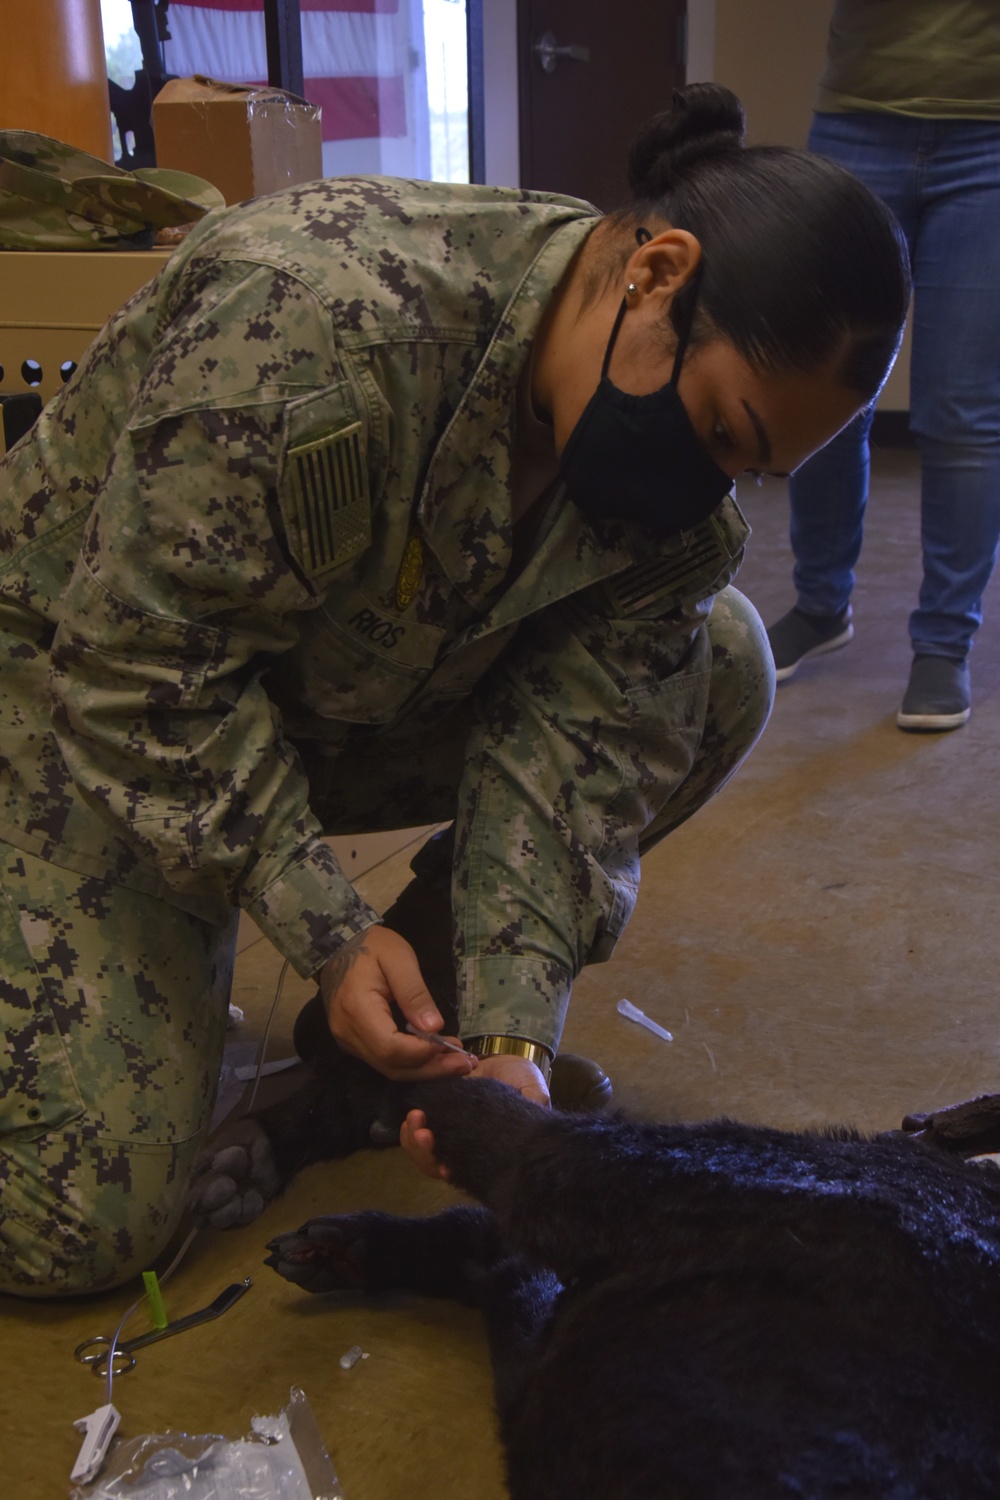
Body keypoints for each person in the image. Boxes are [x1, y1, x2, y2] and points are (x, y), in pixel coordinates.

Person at [0, 83, 909, 1296]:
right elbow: (139, 668)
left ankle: (393, 1039)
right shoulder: (312, 319)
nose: (713, 484)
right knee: (80, 1227)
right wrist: (323, 924)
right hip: (70, 695)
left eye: (755, 468)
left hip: (313, 697)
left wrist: (509, 1038)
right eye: (721, 429)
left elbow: (577, 754)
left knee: (719, 659)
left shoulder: (663, 494)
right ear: (656, 276)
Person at [766, 0, 1000, 731]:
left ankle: (943, 645)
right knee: (828, 385)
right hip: (856, 120)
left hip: (991, 135)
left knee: (962, 410)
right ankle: (820, 605)